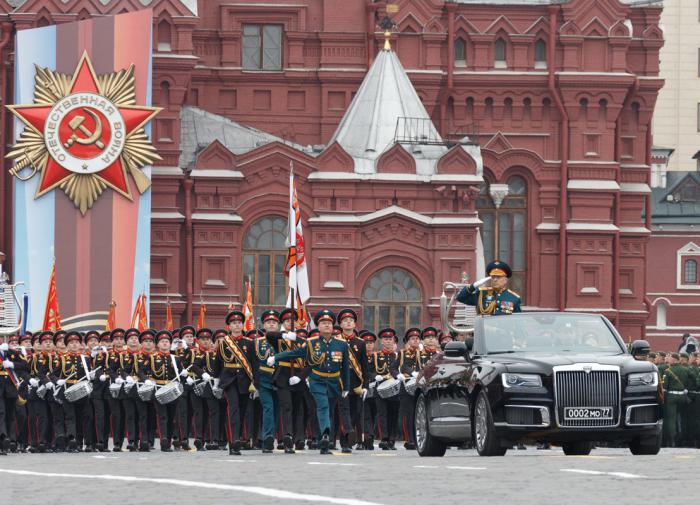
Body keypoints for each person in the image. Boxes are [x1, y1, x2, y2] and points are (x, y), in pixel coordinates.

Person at [269, 310, 351, 455]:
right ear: (318, 327)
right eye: (323, 323)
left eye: (329, 323)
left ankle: (323, 440)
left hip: (333, 382)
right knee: (323, 406)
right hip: (317, 380)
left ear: (333, 327)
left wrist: (346, 386)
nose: (327, 326)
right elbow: (294, 354)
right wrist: (276, 357)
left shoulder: (342, 344)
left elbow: (345, 367)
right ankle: (326, 435)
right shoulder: (311, 343)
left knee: (329, 410)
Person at [214, 311, 255, 455]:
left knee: (243, 411)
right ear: (229, 326)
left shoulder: (249, 343)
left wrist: (255, 383)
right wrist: (216, 381)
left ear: (242, 324)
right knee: (233, 410)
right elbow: (218, 364)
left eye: (239, 322)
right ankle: (234, 441)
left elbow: (254, 364)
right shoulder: (223, 343)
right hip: (229, 381)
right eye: (233, 323)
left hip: (245, 380)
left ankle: (237, 438)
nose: (237, 325)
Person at [392, 327, 422, 450]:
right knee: (408, 414)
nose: (415, 341)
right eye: (412, 339)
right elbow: (395, 368)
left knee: (418, 414)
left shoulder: (423, 353)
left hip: (420, 386)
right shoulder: (402, 353)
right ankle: (409, 439)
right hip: (406, 387)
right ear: (408, 341)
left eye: (417, 338)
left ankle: (419, 438)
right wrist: (397, 375)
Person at [456, 261, 522, 315]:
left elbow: (517, 321)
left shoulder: (514, 298)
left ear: (505, 280)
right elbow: (460, 297)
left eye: (498, 277)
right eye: (493, 277)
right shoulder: (481, 294)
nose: (495, 280)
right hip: (485, 330)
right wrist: (473, 286)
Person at [372, 328, 400, 450]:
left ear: (394, 341)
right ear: (381, 341)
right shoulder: (375, 356)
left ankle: (392, 439)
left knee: (393, 414)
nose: (388, 341)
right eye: (386, 339)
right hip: (380, 388)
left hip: (395, 389)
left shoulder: (399, 356)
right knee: (382, 414)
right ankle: (384, 438)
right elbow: (368, 370)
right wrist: (375, 376)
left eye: (390, 339)